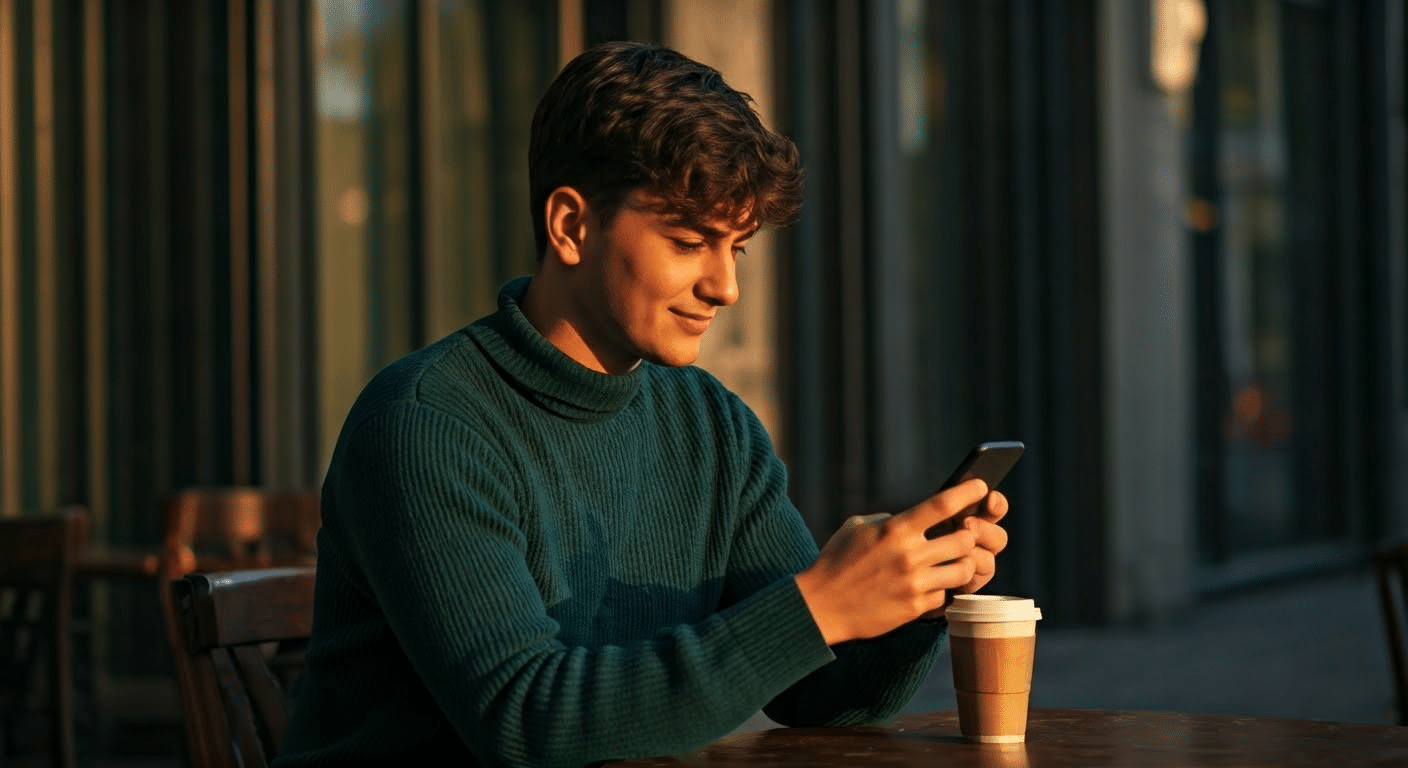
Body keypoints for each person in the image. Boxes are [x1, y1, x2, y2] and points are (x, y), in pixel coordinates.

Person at [273, 41, 1008, 768]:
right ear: (570, 226)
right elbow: (528, 722)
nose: (726, 287)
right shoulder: (425, 427)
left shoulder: (712, 426)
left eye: (737, 249)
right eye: (689, 241)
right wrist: (819, 604)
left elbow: (819, 693)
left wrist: (912, 593)